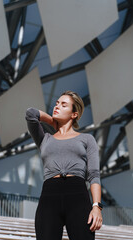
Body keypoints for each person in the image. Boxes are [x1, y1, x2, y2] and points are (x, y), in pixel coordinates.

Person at [25, 90, 103, 240]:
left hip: (78, 196)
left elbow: (94, 175)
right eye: (56, 103)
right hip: (49, 196)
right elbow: (31, 114)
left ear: (74, 114)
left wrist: (96, 207)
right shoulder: (45, 139)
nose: (57, 107)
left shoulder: (87, 139)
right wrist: (53, 122)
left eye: (63, 105)